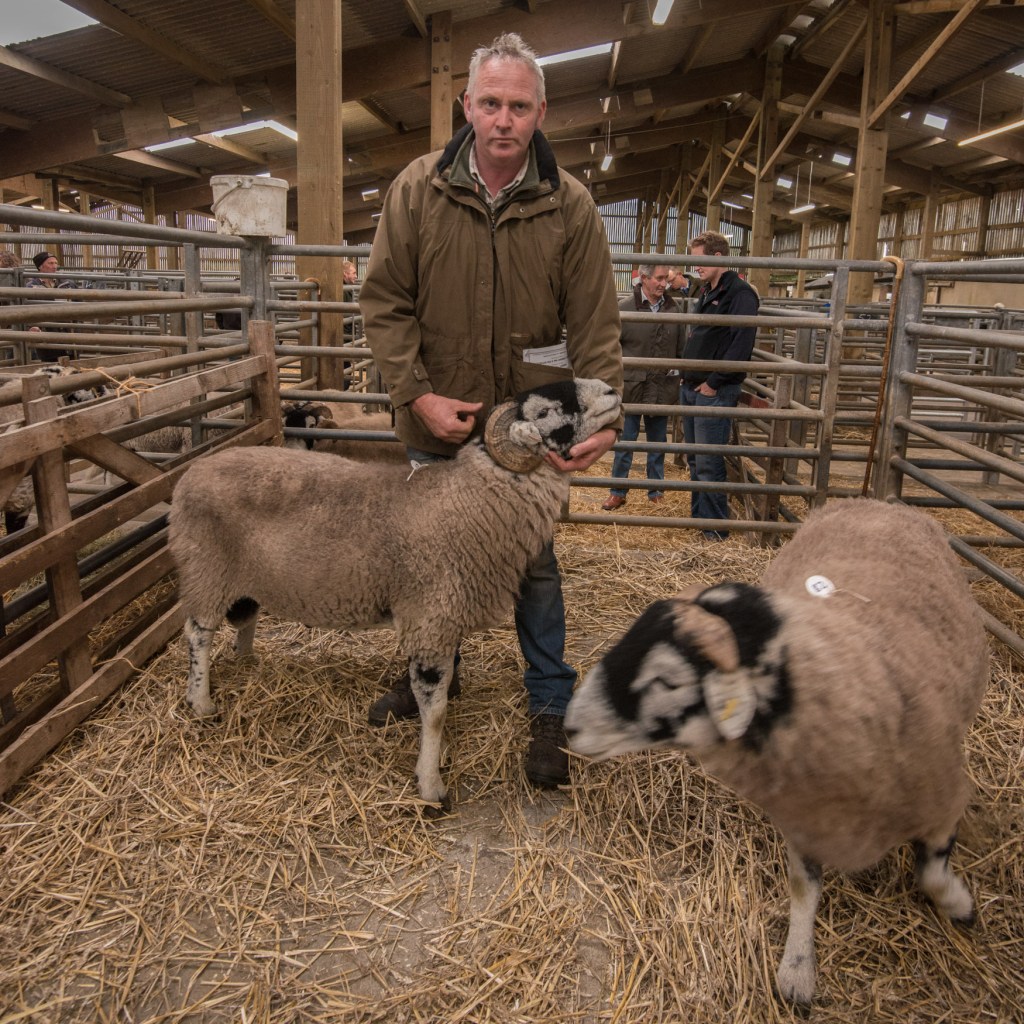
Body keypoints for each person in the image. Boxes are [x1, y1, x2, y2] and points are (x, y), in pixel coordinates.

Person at [359, 31, 622, 788]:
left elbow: (595, 323)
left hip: (529, 420)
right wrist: (415, 394)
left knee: (534, 565)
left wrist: (597, 419)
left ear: (541, 112)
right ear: (466, 106)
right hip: (440, 407)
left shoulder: (568, 205)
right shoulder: (419, 189)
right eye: (490, 103)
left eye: (518, 105)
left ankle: (548, 702)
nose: (503, 119)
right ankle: (435, 674)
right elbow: (385, 302)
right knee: (429, 553)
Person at [681, 230, 758, 541]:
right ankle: (701, 521)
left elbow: (742, 343)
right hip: (693, 385)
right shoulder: (706, 291)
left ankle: (715, 532)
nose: (694, 268)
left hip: (712, 390)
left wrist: (714, 382)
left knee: (710, 461)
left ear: (717, 257)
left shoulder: (739, 293)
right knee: (696, 459)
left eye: (699, 261)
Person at [601, 264, 684, 510]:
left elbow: (680, 351)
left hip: (661, 386)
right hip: (631, 386)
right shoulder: (625, 308)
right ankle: (618, 491)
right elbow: (612, 348)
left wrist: (677, 378)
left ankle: (655, 491)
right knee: (626, 441)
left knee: (657, 441)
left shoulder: (674, 309)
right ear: (644, 278)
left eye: (665, 280)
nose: (663, 284)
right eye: (658, 279)